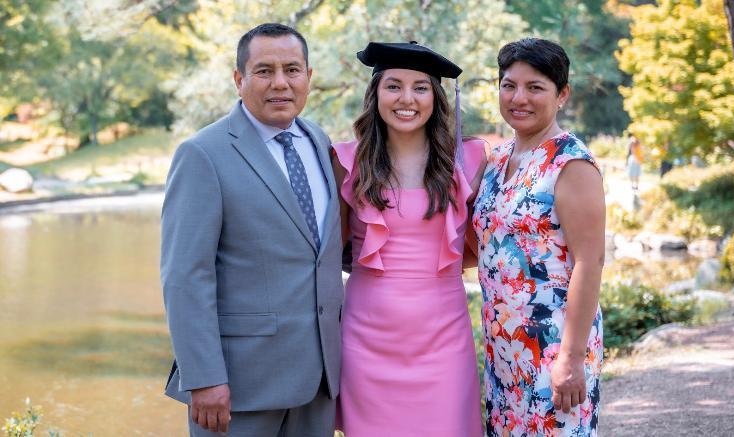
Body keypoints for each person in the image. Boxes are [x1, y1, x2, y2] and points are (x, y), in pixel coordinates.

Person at [160, 23, 344, 436]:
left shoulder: (318, 141)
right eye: (264, 71)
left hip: (318, 382)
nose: (280, 83)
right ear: (239, 79)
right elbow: (185, 277)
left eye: (292, 70)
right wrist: (204, 377)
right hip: (238, 386)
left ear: (309, 78)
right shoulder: (202, 154)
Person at [332, 41, 485, 436]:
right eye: (393, 86)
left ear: (435, 96)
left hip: (444, 338)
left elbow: (487, 244)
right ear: (375, 94)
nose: (407, 99)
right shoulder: (346, 161)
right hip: (366, 341)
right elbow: (330, 252)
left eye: (420, 87)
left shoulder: (469, 159)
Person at [471, 38, 605, 436]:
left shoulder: (570, 163)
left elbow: (589, 261)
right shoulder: (497, 159)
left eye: (535, 87)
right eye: (509, 85)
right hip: (504, 347)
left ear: (562, 94)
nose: (519, 98)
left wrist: (571, 357)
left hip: (553, 346)